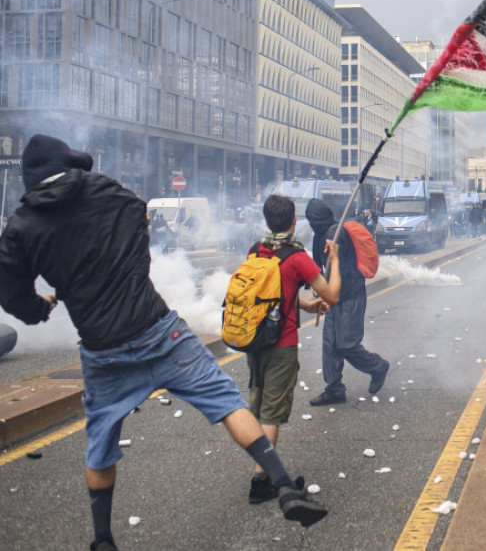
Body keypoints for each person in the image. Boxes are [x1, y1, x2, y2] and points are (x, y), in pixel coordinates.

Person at [0, 136, 329, 551]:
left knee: (100, 440)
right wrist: (130, 273)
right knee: (226, 400)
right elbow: (141, 220)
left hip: (103, 351)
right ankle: (283, 486)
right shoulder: (104, 188)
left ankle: (102, 539)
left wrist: (42, 306)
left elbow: (12, 296)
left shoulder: (22, 224)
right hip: (158, 330)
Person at [244, 194, 340, 504]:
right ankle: (262, 479)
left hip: (253, 341)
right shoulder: (298, 258)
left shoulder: (255, 251)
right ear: (294, 221)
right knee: (272, 413)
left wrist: (306, 305)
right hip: (281, 345)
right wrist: (334, 260)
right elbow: (333, 294)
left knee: (259, 408)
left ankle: (263, 467)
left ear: (266, 220)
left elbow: (269, 294)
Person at [306, 199, 390, 406]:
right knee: (330, 344)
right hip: (333, 296)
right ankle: (334, 389)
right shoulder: (320, 235)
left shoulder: (337, 234)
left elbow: (338, 267)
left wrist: (325, 285)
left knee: (345, 344)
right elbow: (320, 266)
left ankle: (377, 366)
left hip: (350, 295)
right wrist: (319, 289)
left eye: (312, 220)